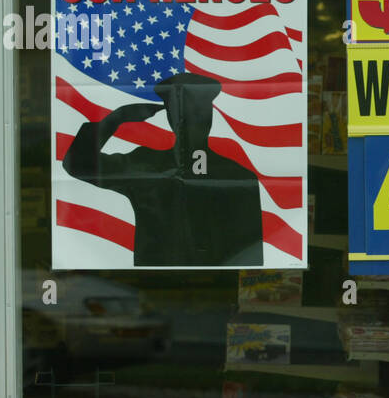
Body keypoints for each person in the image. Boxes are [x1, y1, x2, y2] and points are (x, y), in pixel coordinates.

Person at [63, 72, 263, 266]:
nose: (193, 118)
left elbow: (251, 256)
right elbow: (79, 164)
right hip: (160, 286)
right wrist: (115, 119)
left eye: (199, 110)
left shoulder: (240, 177)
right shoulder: (239, 176)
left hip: (203, 287)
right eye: (187, 110)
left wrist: (116, 119)